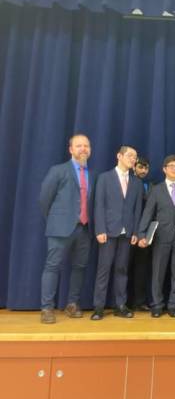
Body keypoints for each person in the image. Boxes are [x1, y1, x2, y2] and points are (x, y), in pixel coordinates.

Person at [38, 134, 95, 324]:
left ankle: (72, 303)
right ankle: (47, 308)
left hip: (85, 229)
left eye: (86, 146)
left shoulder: (92, 174)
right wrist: (55, 220)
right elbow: (45, 199)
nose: (83, 149)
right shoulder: (58, 170)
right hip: (60, 228)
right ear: (70, 149)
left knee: (79, 267)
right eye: (79, 146)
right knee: (52, 266)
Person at [137, 155, 175, 318]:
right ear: (164, 169)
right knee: (158, 272)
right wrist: (141, 233)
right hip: (161, 237)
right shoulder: (156, 190)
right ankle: (157, 305)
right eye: (171, 166)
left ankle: (173, 304)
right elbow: (148, 213)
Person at [91, 146, 143, 320]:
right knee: (103, 269)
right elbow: (99, 205)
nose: (133, 159)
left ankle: (120, 305)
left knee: (122, 269)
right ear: (119, 156)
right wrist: (100, 229)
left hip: (127, 233)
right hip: (108, 232)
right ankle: (98, 307)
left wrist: (135, 231)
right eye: (130, 156)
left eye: (135, 157)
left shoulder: (136, 182)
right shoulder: (104, 178)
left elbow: (137, 209)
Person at [129, 157, 152, 311]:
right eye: (140, 167)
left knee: (142, 268)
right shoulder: (128, 183)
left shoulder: (151, 186)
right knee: (126, 267)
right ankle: (126, 301)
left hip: (146, 234)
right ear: (134, 168)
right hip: (129, 232)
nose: (143, 170)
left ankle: (140, 301)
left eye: (145, 168)